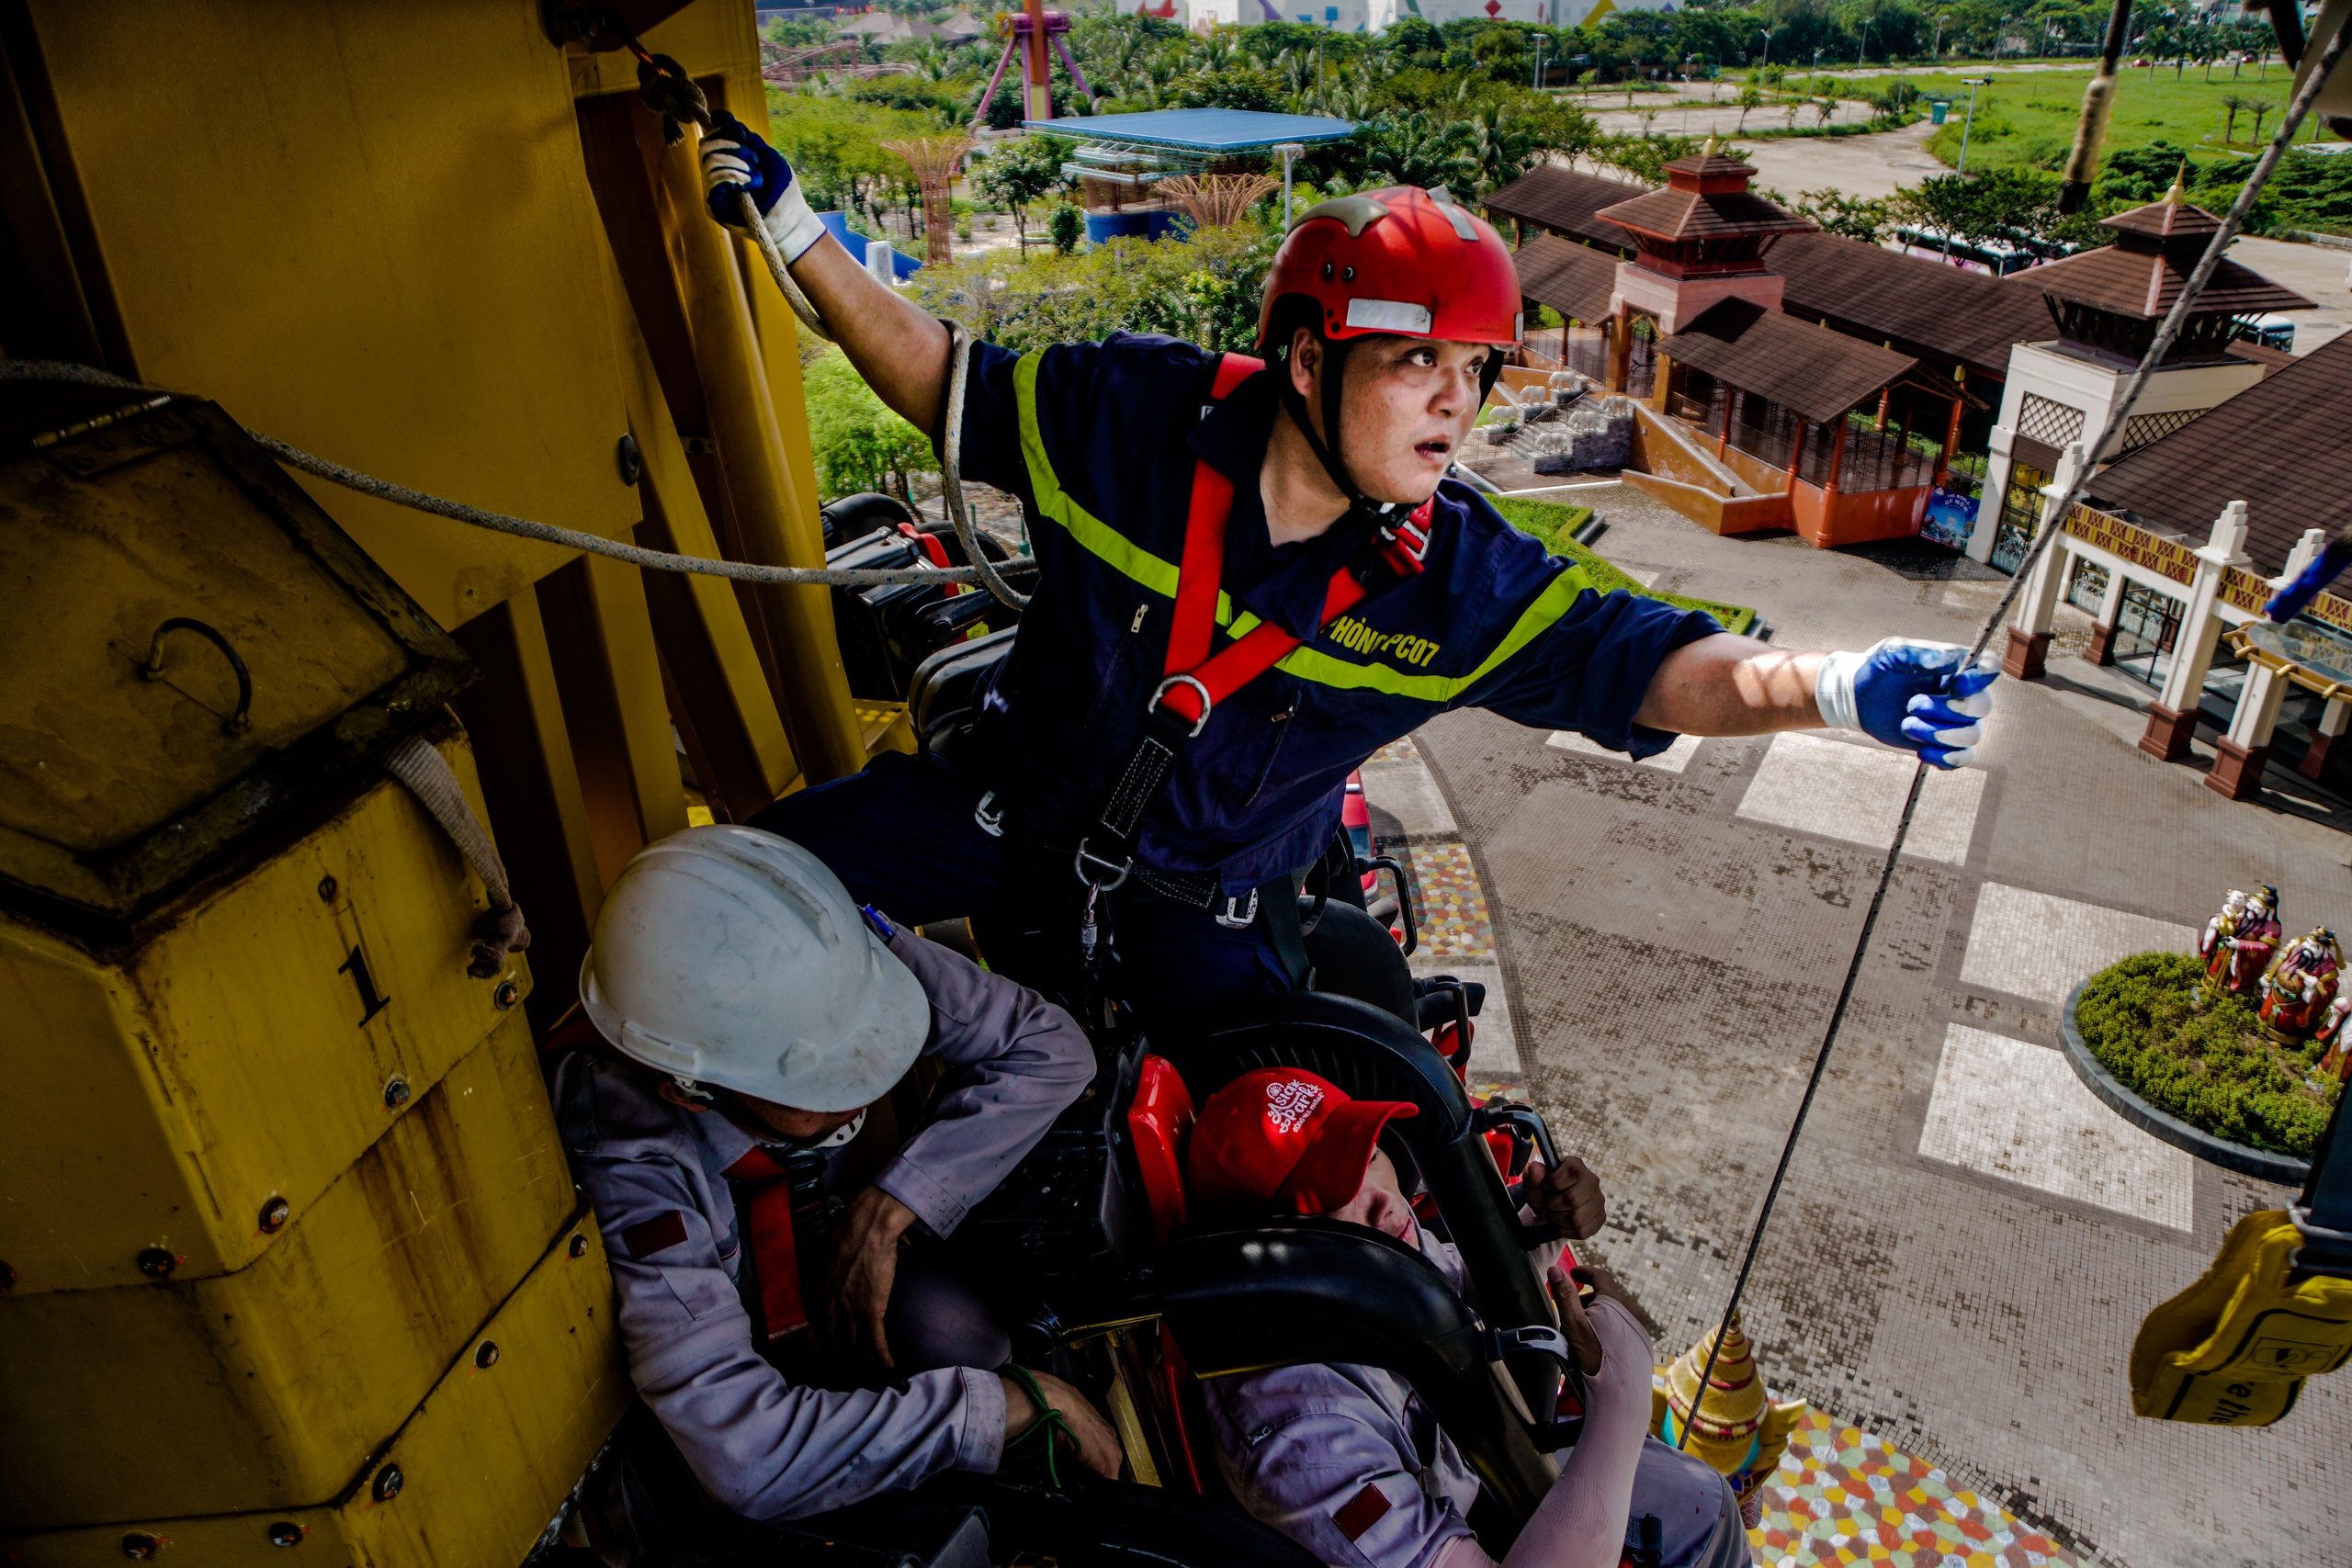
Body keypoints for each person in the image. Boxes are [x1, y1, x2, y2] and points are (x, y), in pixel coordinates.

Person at [699, 115, 1999, 1019]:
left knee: (1268, 1163)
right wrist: (800, 223)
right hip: (1009, 825)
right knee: (730, 893)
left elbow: (1661, 666)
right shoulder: (1138, 423)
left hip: (1208, 915)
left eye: (1476, 368)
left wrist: (1833, 686)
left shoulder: (1463, 580)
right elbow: (948, 380)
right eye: (1416, 361)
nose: (1457, 404)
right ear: (1308, 362)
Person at [553, 826, 1125, 1517]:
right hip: (730, 1348)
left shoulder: (826, 958)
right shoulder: (630, 1153)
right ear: (688, 1090)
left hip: (820, 1242)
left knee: (962, 1334)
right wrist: (997, 1407)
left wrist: (884, 1212)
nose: (861, 1083)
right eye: (818, 1085)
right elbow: (747, 1456)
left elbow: (1051, 1048)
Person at [1184, 1069, 1748, 1568]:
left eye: (1370, 1157)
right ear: (1269, 1250)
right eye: (1333, 1194)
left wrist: (1534, 1229)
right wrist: (1623, 1398)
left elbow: (1455, 1291)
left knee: (1710, 1499)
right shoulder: (1300, 1432)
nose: (1383, 1201)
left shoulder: (1364, 1264)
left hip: (1482, 1474)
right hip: (1482, 1519)